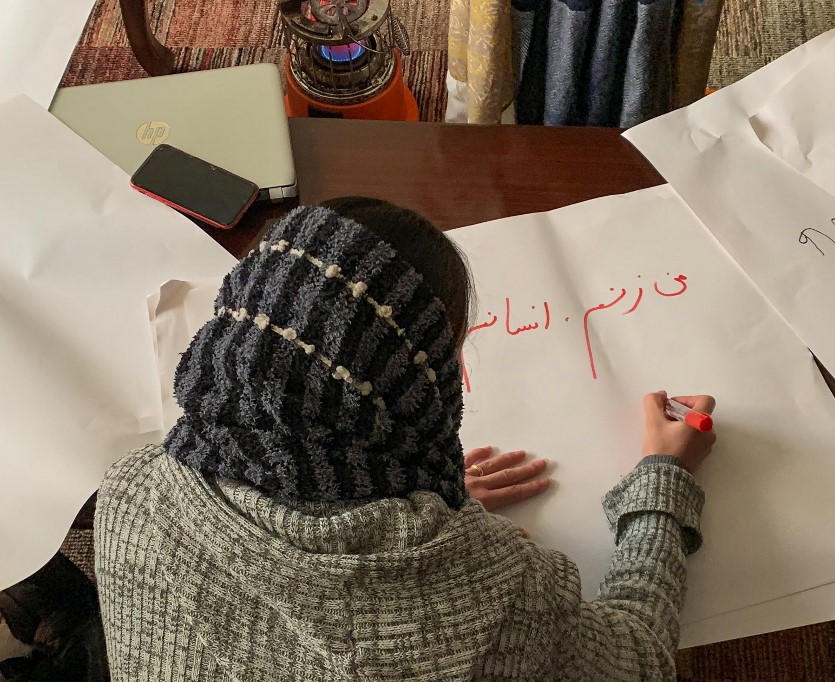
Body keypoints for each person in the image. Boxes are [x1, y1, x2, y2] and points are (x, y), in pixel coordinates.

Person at [94, 197, 715, 681]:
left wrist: (397, 512)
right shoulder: (501, 596)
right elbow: (636, 660)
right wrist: (664, 479)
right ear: (425, 387)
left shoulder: (130, 492)